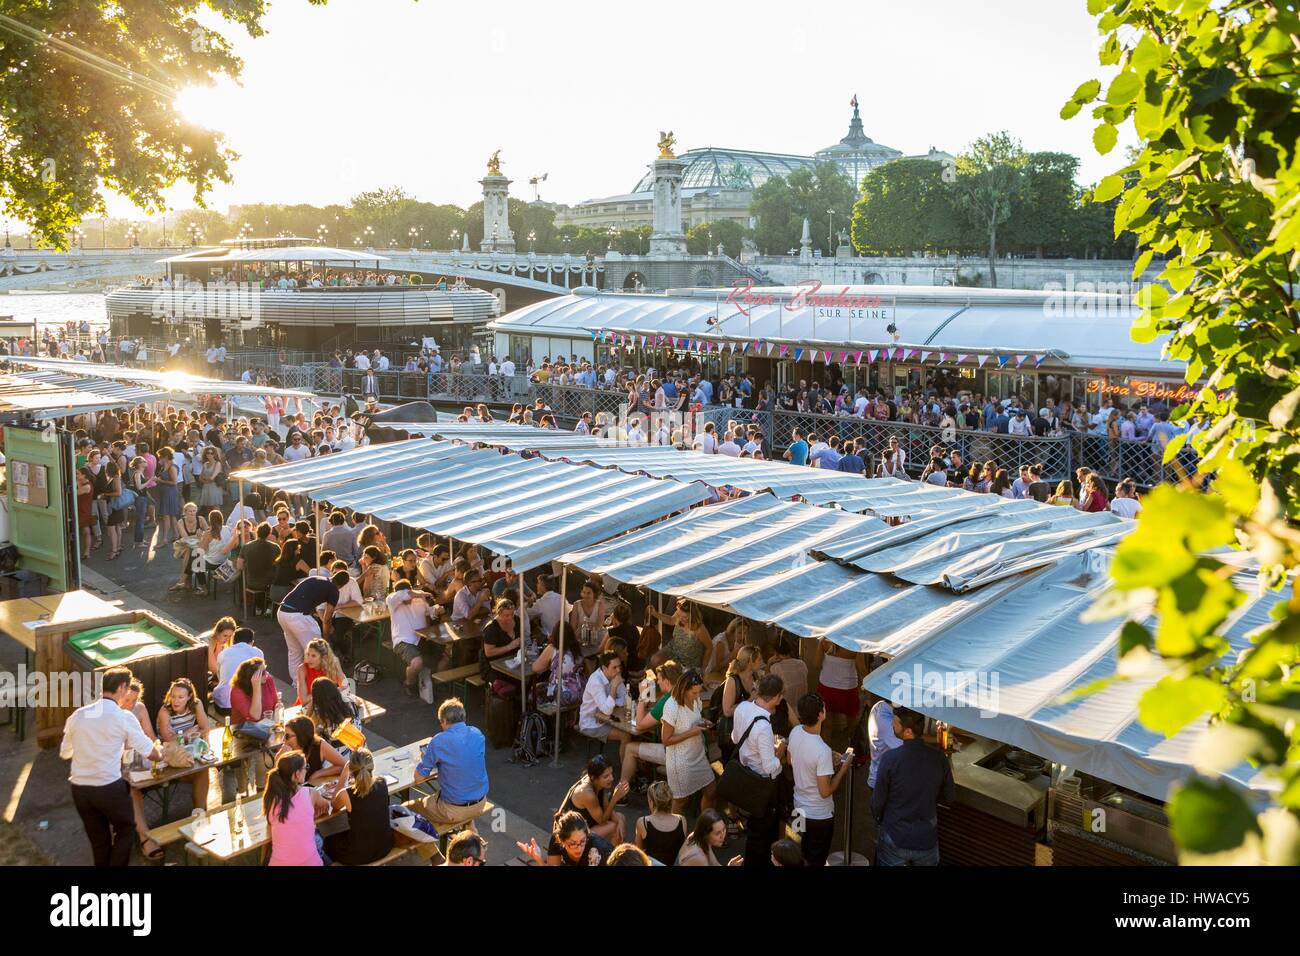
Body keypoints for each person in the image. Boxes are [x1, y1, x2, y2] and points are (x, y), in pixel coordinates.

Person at [60, 667, 163, 866]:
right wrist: (160, 754)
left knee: (99, 843)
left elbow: (65, 752)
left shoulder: (78, 715)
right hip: (108, 787)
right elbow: (149, 750)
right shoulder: (123, 717)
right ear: (123, 687)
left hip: (80, 790)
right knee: (125, 830)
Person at [871, 706, 955, 866]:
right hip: (926, 838)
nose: (891, 726)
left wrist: (880, 821)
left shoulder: (890, 759)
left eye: (895, 724)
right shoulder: (939, 758)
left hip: (895, 834)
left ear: (908, 731)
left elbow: (878, 801)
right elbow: (949, 797)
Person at [789, 692, 853, 867]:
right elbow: (825, 791)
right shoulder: (822, 750)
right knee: (816, 860)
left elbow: (790, 760)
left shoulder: (795, 732)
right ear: (820, 715)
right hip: (819, 816)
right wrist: (843, 769)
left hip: (797, 809)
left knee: (800, 851)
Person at [732, 673, 785, 867]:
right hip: (762, 783)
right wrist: (780, 751)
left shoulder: (742, 708)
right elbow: (770, 766)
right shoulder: (763, 725)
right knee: (761, 835)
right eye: (781, 696)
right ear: (776, 697)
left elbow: (735, 738)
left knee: (756, 829)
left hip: (745, 774)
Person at [415, 698, 490, 830]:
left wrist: (427, 758)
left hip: (453, 809)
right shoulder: (477, 733)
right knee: (459, 808)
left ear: (444, 721)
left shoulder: (439, 741)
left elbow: (418, 777)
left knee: (407, 808)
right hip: (480, 802)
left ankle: (430, 850)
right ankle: (474, 840)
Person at [661, 668, 717, 814]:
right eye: (694, 692)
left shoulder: (696, 700)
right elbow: (666, 740)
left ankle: (705, 829)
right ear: (684, 689)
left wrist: (704, 723)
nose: (698, 696)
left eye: (699, 692)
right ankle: (676, 833)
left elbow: (694, 719)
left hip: (698, 755)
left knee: (711, 791)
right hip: (681, 761)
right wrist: (691, 732)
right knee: (681, 801)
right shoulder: (671, 706)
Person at [324, 748, 394, 865]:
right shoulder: (382, 782)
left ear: (352, 770)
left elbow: (334, 805)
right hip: (385, 847)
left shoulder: (346, 793)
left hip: (359, 855)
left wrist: (344, 773)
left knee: (327, 841)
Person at [277, 570, 346, 688]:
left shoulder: (316, 578)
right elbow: (327, 619)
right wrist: (326, 640)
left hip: (282, 612)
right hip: (297, 616)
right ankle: (324, 684)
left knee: (295, 652)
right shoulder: (334, 590)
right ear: (342, 585)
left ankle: (296, 684)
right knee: (318, 652)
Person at [156, 677, 211, 814]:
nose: (175, 700)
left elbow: (205, 728)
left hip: (188, 749)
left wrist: (181, 736)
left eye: (181, 697)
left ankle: (199, 812)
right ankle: (198, 811)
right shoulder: (165, 711)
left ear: (189, 697)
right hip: (168, 756)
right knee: (199, 770)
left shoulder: (196, 704)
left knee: (204, 768)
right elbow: (168, 740)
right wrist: (188, 733)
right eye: (173, 696)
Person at [264, 752, 329, 867]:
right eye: (306, 767)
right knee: (318, 839)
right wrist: (312, 814)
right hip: (312, 863)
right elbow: (325, 806)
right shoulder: (310, 793)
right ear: (296, 774)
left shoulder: (270, 799)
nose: (306, 770)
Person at [555, 755, 628, 845]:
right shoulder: (587, 793)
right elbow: (602, 820)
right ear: (594, 778)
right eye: (606, 776)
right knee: (614, 827)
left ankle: (615, 854)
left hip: (585, 826)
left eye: (611, 774)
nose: (612, 778)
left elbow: (607, 809)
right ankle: (612, 857)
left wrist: (620, 820)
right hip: (569, 835)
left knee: (621, 817)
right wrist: (615, 798)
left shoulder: (597, 782)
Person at [387, 578, 439, 698]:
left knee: (444, 654)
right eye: (405, 596)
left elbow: (431, 613)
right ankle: (409, 683)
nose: (407, 599)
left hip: (422, 638)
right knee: (417, 663)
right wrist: (420, 594)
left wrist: (436, 611)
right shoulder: (392, 600)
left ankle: (435, 683)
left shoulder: (419, 600)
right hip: (403, 641)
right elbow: (404, 594)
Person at [518, 810, 613, 867]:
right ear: (561, 841)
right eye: (572, 843)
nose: (579, 848)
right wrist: (539, 859)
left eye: (583, 841)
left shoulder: (596, 852)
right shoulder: (556, 838)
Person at [814, 639, 866, 738]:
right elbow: (861, 669)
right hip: (848, 689)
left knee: (827, 726)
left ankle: (827, 752)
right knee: (852, 725)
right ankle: (851, 749)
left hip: (826, 687)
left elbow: (816, 665)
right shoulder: (855, 644)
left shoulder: (824, 642)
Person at [634, 780, 687, 866]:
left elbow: (638, 851)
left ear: (651, 802)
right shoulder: (682, 820)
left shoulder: (643, 822)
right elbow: (683, 850)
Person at [531, 621, 584, 707]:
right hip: (579, 689)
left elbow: (535, 668)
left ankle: (541, 718)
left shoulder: (552, 648)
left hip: (562, 693)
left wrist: (549, 665)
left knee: (534, 692)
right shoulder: (577, 648)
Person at [650, 598, 711, 671]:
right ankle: (659, 680)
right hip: (673, 649)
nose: (681, 619)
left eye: (685, 617)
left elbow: (709, 647)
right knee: (654, 660)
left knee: (676, 678)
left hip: (689, 662)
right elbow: (671, 620)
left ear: (693, 615)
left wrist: (704, 667)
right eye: (679, 615)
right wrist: (655, 613)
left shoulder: (700, 629)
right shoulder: (679, 614)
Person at [212, 626, 260, 716]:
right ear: (252, 642)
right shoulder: (258, 653)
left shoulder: (223, 653)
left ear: (233, 641)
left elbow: (219, 676)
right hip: (246, 705)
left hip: (222, 706)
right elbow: (260, 678)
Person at [676, 809, 740, 866]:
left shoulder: (701, 838)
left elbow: (714, 863)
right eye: (717, 833)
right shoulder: (699, 859)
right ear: (705, 834)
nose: (723, 836)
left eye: (724, 829)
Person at [295, 637, 346, 707]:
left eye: (313, 656)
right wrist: (328, 692)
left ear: (323, 657)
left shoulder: (330, 667)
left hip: (326, 705)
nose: (308, 658)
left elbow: (346, 688)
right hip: (307, 708)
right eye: (308, 654)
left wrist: (338, 667)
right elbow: (303, 700)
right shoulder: (302, 669)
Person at [228, 657, 279, 726]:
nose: (267, 674)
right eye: (263, 672)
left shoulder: (268, 680)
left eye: (265, 670)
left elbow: (276, 705)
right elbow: (255, 716)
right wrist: (256, 688)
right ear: (251, 676)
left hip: (266, 725)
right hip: (244, 730)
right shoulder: (237, 691)